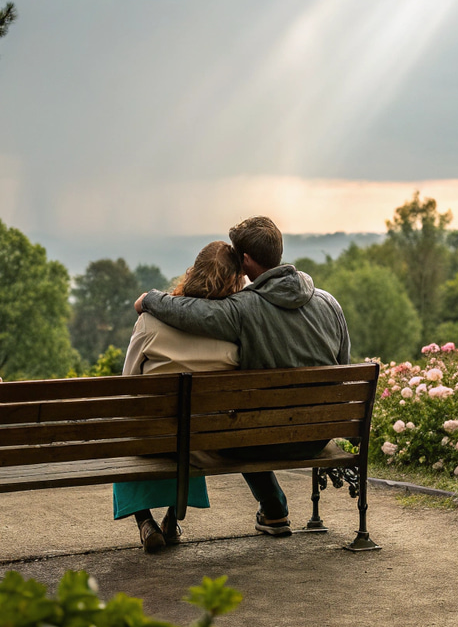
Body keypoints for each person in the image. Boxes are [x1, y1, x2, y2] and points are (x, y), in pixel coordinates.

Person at [134, 216, 350, 537]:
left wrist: (150, 298)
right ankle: (273, 511)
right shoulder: (329, 303)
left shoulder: (241, 309)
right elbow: (344, 367)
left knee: (240, 430)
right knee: (255, 425)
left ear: (246, 260)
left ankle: (274, 507)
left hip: (261, 440)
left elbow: (186, 311)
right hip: (317, 435)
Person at [115, 240, 243, 553]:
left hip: (153, 438)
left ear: (192, 274)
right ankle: (172, 518)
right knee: (191, 426)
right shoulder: (237, 330)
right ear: (236, 282)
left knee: (139, 430)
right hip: (207, 440)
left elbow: (128, 386)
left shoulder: (150, 323)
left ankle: (145, 522)